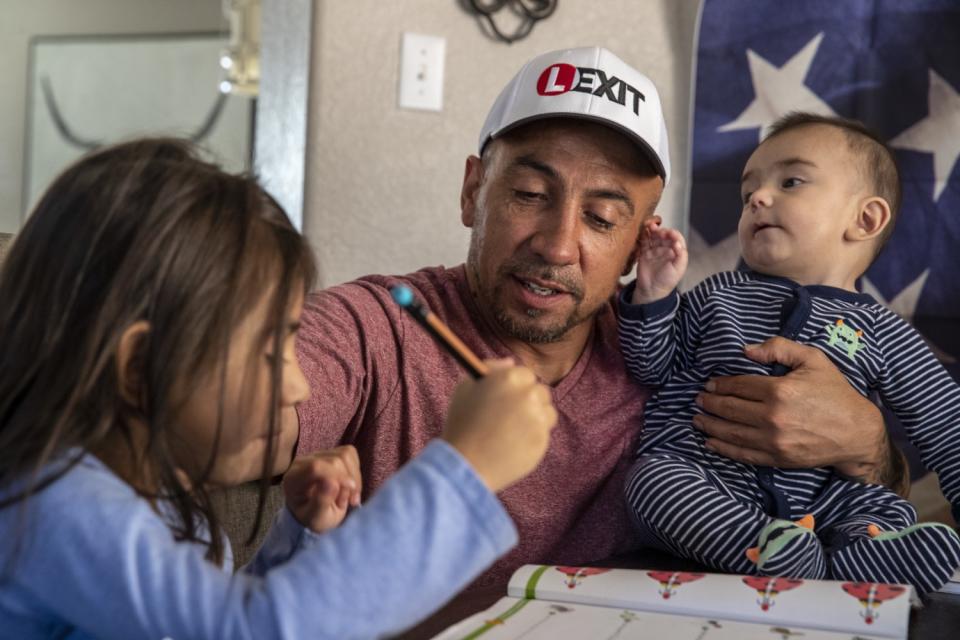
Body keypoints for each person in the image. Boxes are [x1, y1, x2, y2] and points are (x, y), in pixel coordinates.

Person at [292, 48, 909, 589]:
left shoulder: (685, 348)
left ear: (641, 241)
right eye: (530, 195)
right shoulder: (379, 327)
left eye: (603, 219)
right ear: (472, 191)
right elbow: (251, 399)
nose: (558, 246)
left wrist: (870, 448)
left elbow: (826, 497)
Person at [0, 138, 558, 639]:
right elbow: (252, 627)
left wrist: (295, 536)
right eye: (270, 351)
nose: (296, 385)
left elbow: (207, 622)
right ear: (139, 368)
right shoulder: (53, 505)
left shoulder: (141, 498)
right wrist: (465, 469)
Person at [619, 112, 960, 595]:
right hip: (711, 482)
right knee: (651, 481)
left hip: (829, 499)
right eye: (746, 194)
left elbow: (946, 422)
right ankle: (767, 548)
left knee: (882, 508)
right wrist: (651, 297)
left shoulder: (882, 331)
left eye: (791, 181)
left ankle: (867, 551)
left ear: (865, 219)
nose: (757, 198)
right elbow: (649, 365)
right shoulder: (717, 294)